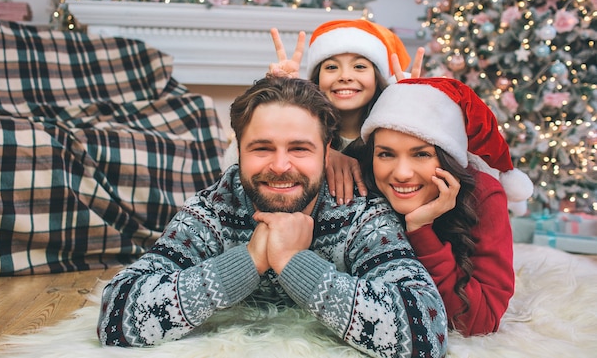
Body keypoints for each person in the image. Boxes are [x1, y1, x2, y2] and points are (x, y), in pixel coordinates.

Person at [97, 76, 448, 357]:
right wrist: (249, 260)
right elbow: (116, 316)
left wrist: (294, 263)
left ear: (327, 153)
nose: (280, 166)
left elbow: (426, 331)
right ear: (239, 151)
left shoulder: (359, 212)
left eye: (299, 148)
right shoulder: (214, 209)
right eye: (262, 148)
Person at [357, 76, 534, 336]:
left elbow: (479, 321)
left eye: (421, 154)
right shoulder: (363, 184)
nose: (402, 173)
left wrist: (421, 230)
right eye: (386, 154)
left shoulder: (483, 195)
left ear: (448, 157)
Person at [225, 19, 413, 205]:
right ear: (317, 78)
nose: (345, 76)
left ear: (377, 77)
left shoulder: (390, 132)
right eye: (331, 67)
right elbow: (236, 166)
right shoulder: (302, 132)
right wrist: (277, 101)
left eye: (359, 67)